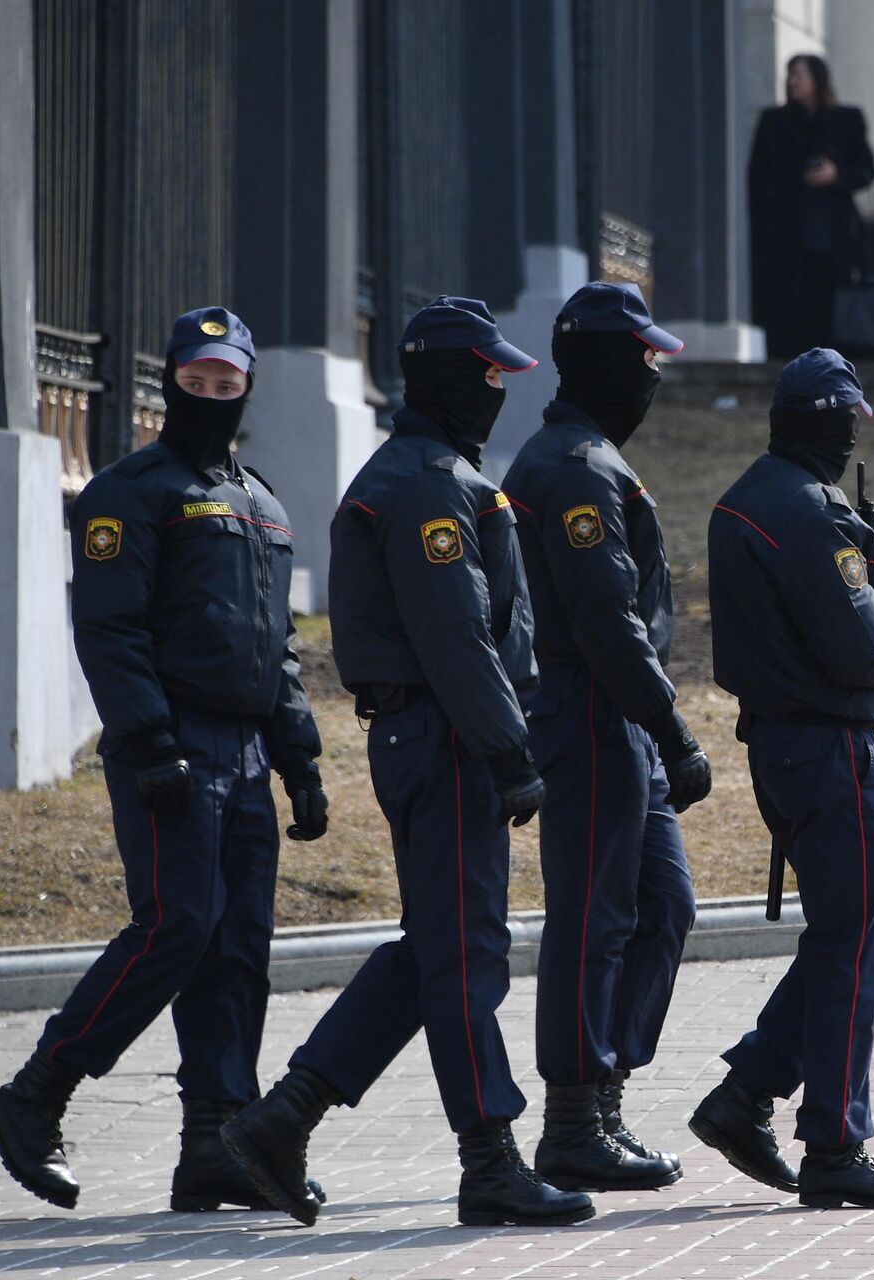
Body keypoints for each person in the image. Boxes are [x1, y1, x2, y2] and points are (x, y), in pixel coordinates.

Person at [220, 297, 594, 1229]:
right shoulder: (430, 483)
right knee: (465, 954)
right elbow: (457, 636)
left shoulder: (441, 473)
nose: (501, 389)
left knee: (437, 947)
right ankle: (490, 1159)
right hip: (447, 735)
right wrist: (509, 750)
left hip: (436, 731)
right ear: (452, 379)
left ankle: (284, 1116)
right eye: (491, 374)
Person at [0, 306, 330, 1213]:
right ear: (168, 381)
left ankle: (217, 1144)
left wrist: (300, 759)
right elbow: (110, 630)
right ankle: (33, 1097)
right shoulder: (131, 492)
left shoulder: (263, 502)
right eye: (196, 379)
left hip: (247, 752)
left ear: (246, 386)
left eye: (227, 382)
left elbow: (277, 647)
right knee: (177, 925)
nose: (210, 394)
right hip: (173, 746)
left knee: (238, 946)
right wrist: (150, 741)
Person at [691, 348, 874, 1210]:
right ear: (836, 420)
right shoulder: (809, 512)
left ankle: (746, 1093)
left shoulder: (744, 501)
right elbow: (862, 644)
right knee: (857, 952)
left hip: (783, 746)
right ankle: (835, 1141)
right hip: (831, 748)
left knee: (844, 937)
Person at [501, 281, 710, 1193]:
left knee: (662, 907)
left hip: (617, 713)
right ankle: (572, 1121)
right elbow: (604, 620)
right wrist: (670, 725)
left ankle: (606, 1095)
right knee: (592, 918)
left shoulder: (592, 459)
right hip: (589, 713)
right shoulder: (576, 468)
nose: (654, 375)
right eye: (645, 359)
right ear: (609, 363)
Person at [748, 54, 874, 358]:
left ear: (817, 79)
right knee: (787, 298)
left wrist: (837, 174)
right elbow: (758, 176)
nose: (793, 82)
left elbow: (866, 170)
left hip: (831, 228)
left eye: (800, 75)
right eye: (790, 75)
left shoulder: (846, 120)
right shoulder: (774, 122)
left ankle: (830, 360)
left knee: (827, 297)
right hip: (786, 226)